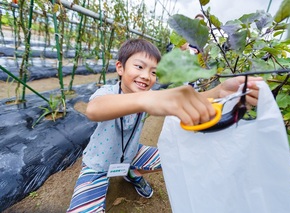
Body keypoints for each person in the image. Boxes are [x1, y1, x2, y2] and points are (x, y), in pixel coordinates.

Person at [67, 38, 262, 212]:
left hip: (131, 153)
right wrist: (147, 99)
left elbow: (189, 99)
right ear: (120, 67)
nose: (146, 76)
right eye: (139, 67)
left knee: (175, 155)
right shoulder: (109, 92)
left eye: (153, 72)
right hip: (99, 164)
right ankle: (120, 173)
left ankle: (132, 172)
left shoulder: (144, 98)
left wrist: (219, 91)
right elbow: (95, 109)